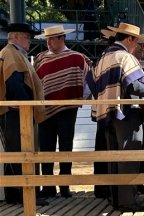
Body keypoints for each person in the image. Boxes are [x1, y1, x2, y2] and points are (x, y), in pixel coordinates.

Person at [85, 22, 144, 211]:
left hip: (104, 113)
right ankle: (127, 202)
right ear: (129, 39)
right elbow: (134, 86)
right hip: (126, 114)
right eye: (137, 42)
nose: (138, 46)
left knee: (114, 158)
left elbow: (90, 82)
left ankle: (115, 199)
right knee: (129, 156)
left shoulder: (102, 57)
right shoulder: (125, 57)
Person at [32, 25, 92, 198]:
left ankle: (65, 185)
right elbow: (36, 83)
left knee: (66, 147)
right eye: (47, 40)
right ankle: (48, 186)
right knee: (46, 148)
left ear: (61, 38)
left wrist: (79, 97)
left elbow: (89, 80)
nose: (48, 43)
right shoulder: (40, 58)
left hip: (67, 110)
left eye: (51, 39)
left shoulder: (77, 58)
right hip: (45, 109)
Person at [0, 23, 48, 205]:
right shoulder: (11, 54)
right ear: (17, 37)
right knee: (21, 152)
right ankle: (24, 195)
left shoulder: (13, 53)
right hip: (16, 113)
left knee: (16, 152)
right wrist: (26, 105)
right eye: (27, 37)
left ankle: (16, 194)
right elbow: (14, 84)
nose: (30, 40)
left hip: (15, 112)